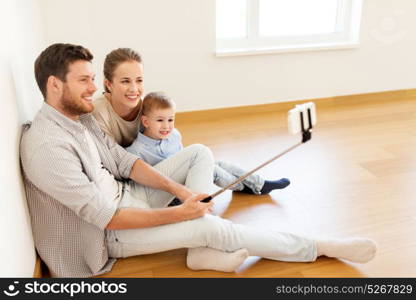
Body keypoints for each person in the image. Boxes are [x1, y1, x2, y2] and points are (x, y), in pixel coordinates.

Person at [20, 43, 377, 278]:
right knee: (212, 227)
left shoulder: (78, 120)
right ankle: (316, 247)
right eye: (84, 80)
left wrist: (184, 194)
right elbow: (107, 219)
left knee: (199, 153)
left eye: (93, 79)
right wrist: (182, 213)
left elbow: (123, 163)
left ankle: (200, 249)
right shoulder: (47, 147)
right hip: (106, 235)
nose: (93, 88)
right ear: (54, 85)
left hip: (125, 196)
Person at [93, 48, 289, 195]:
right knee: (204, 162)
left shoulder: (145, 106)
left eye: (139, 80)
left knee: (212, 161)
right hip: (136, 175)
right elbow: (116, 162)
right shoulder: (99, 113)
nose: (134, 88)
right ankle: (246, 186)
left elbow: (165, 139)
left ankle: (258, 183)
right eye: (125, 81)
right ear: (109, 84)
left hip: (156, 163)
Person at [125, 91, 290, 195]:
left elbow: (184, 157)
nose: (167, 126)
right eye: (160, 120)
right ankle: (245, 187)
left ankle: (258, 183)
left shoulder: (174, 135)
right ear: (146, 122)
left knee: (218, 163)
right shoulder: (137, 150)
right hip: (170, 190)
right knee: (212, 170)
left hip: (187, 175)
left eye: (170, 120)